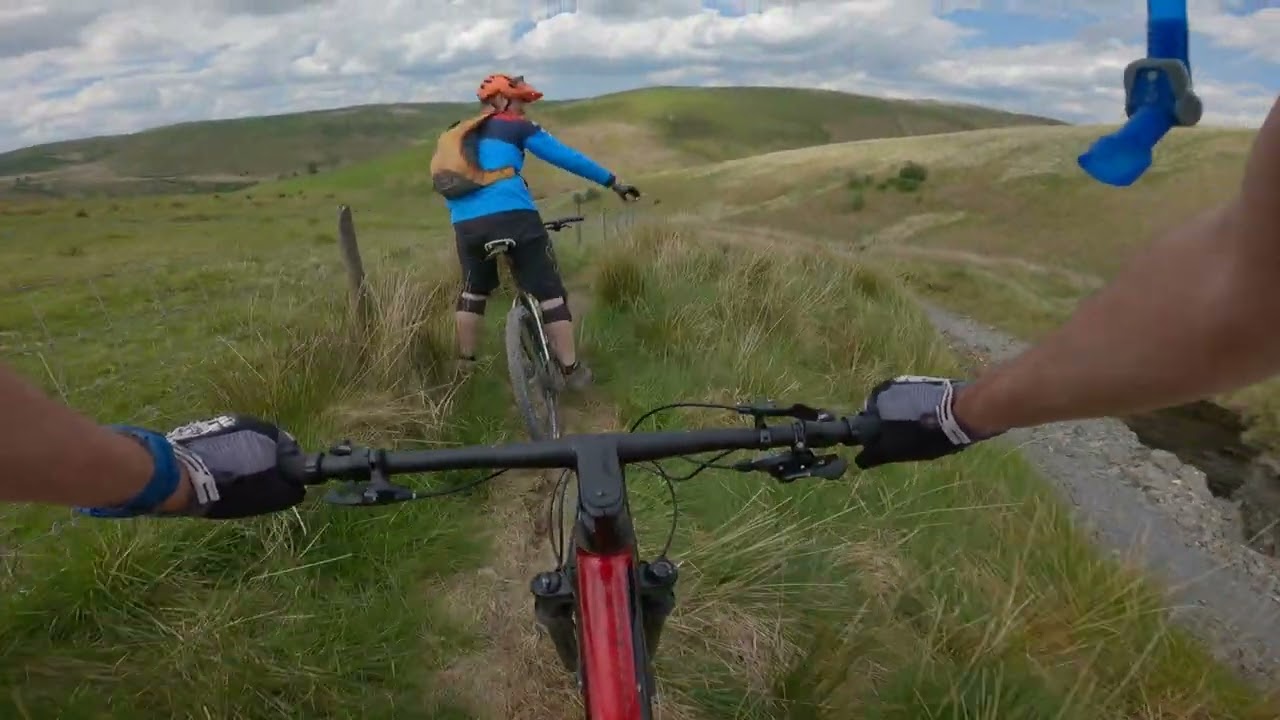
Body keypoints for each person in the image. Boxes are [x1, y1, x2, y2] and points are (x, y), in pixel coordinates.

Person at [1, 95, 1275, 520]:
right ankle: (571, 353)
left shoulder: (452, 146)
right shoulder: (522, 140)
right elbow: (571, 175)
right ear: (518, 105)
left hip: (460, 238)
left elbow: (455, 189)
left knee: (466, 291)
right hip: (526, 232)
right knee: (549, 291)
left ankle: (447, 373)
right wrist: (615, 180)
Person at [444, 73, 640, 389]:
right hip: (514, 215)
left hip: (466, 223)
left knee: (473, 290)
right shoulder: (516, 126)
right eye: (521, 101)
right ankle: (570, 370)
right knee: (549, 291)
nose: (524, 109)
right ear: (501, 100)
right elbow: (565, 157)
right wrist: (612, 181)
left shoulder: (455, 133)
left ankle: (464, 367)